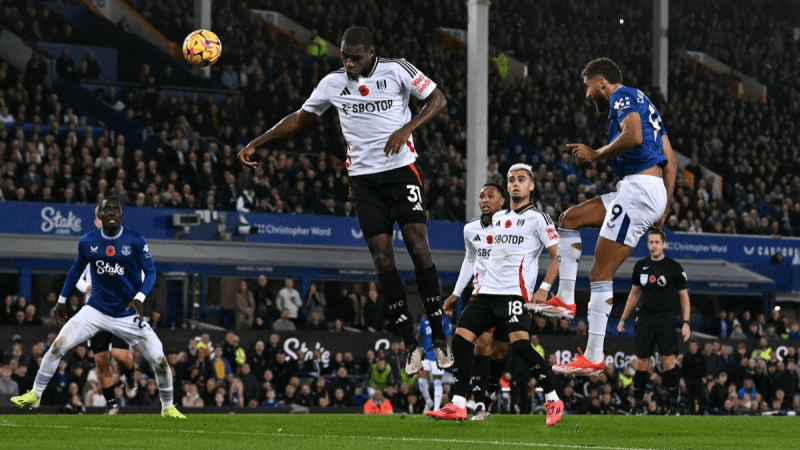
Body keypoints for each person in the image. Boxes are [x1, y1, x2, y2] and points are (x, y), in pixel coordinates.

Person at [238, 26, 452, 374]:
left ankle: (440, 339)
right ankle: (410, 345)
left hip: (401, 172)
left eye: (355, 57)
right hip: (363, 182)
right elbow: (299, 119)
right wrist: (257, 142)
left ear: (371, 52)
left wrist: (407, 128)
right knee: (382, 259)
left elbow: (438, 100)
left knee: (418, 247)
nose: (349, 63)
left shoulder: (397, 69)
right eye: (344, 57)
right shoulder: (331, 83)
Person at [552, 57, 676, 376]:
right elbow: (671, 160)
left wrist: (596, 153)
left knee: (599, 272)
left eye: (588, 86)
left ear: (602, 83)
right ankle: (565, 298)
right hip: (643, 189)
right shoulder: (648, 107)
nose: (587, 93)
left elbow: (633, 136)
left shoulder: (622, 96)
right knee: (570, 218)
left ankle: (594, 355)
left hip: (637, 188)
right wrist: (665, 206)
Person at [10, 197, 186, 418]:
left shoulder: (135, 240)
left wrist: (140, 297)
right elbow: (76, 270)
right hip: (96, 311)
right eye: (107, 209)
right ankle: (35, 394)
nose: (111, 212)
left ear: (122, 215)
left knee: (160, 360)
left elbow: (151, 272)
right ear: (99, 216)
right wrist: (62, 301)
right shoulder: (87, 242)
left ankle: (167, 406)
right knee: (57, 346)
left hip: (127, 313)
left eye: (116, 209)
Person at [427, 164, 563, 426]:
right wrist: (462, 291)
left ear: (531, 186)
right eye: (511, 179)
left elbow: (558, 256)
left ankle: (553, 398)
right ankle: (457, 404)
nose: (515, 184)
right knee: (462, 340)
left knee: (520, 346)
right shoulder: (499, 220)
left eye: (521, 180)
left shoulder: (538, 218)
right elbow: (480, 258)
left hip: (514, 294)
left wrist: (544, 288)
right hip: (486, 293)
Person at [441, 182, 508, 421]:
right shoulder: (470, 229)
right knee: (473, 343)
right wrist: (456, 293)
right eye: (481, 196)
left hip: (508, 295)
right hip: (482, 295)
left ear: (502, 201)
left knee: (499, 352)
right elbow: (469, 260)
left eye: (490, 196)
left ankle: (486, 396)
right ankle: (470, 402)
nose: (485, 200)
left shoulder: (514, 228)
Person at [616, 229, 691, 415]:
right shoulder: (640, 265)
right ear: (647, 244)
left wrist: (686, 322)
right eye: (651, 242)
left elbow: (684, 297)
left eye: (657, 242)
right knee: (642, 363)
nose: (654, 245)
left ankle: (674, 407)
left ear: (664, 244)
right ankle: (638, 406)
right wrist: (623, 318)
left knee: (668, 361)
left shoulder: (674, 267)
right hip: (645, 319)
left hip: (666, 318)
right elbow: (634, 294)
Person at [76, 205, 138, 414]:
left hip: (120, 311)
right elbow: (76, 276)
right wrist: (86, 287)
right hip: (95, 313)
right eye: (101, 216)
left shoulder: (126, 245)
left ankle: (130, 376)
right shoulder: (88, 245)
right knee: (101, 360)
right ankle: (111, 405)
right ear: (97, 221)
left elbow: (141, 273)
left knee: (121, 356)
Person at [416, 312, 453, 413]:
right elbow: (419, 335)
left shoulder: (444, 320)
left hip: (438, 354)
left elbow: (449, 337)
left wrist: (447, 352)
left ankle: (436, 409)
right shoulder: (424, 319)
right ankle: (428, 401)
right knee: (421, 381)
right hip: (426, 354)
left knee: (437, 381)